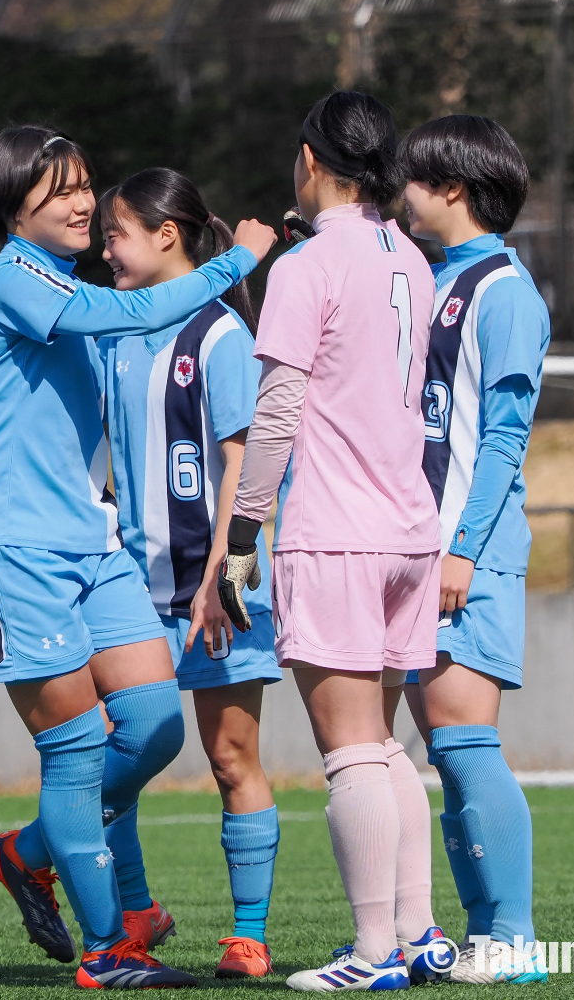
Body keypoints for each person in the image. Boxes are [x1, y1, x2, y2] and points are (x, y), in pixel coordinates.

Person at [0, 124, 276, 989]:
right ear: (12, 205)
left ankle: (29, 851)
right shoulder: (11, 278)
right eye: (58, 189)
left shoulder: (70, 286)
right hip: (15, 547)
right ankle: (109, 950)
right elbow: (137, 309)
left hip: (91, 549)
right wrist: (232, 261)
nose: (81, 202)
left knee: (154, 726)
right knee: (76, 753)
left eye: (84, 185)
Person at [216, 92, 455, 992]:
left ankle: (372, 953)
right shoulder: (411, 257)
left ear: (312, 161)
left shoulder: (306, 265)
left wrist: (244, 530)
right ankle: (419, 932)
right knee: (387, 743)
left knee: (349, 748)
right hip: (407, 531)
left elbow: (276, 407)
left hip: (338, 532)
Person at [95, 168, 282, 980]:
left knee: (231, 755)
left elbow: (245, 466)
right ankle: (136, 915)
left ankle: (247, 934)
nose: (105, 250)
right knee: (118, 756)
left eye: (117, 235)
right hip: (128, 595)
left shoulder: (220, 337)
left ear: (166, 236)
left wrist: (218, 575)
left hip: (217, 589)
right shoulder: (108, 334)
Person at [399, 114, 550, 986]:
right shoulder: (437, 277)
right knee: (446, 755)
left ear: (452, 188)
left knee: (464, 743)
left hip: (470, 551)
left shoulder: (506, 292)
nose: (401, 193)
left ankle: (516, 932)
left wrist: (461, 549)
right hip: (422, 551)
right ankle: (481, 931)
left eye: (414, 179)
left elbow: (503, 439)